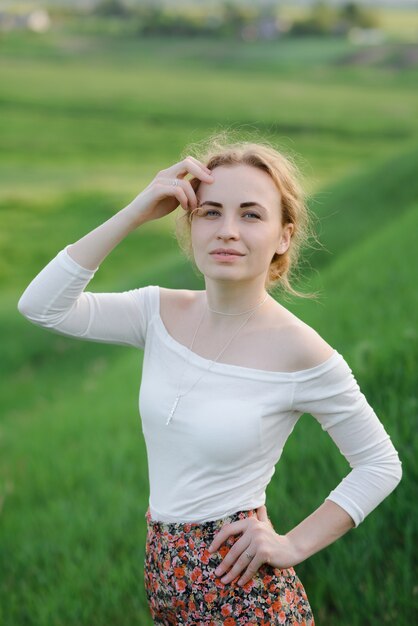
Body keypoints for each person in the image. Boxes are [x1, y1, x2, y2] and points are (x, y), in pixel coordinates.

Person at [17, 136, 402, 625]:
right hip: (167, 586)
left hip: (246, 599)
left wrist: (292, 544)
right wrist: (135, 210)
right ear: (190, 224)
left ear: (284, 236)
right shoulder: (156, 311)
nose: (228, 231)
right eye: (210, 212)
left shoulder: (301, 351)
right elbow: (41, 306)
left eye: (251, 214)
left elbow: (379, 464)